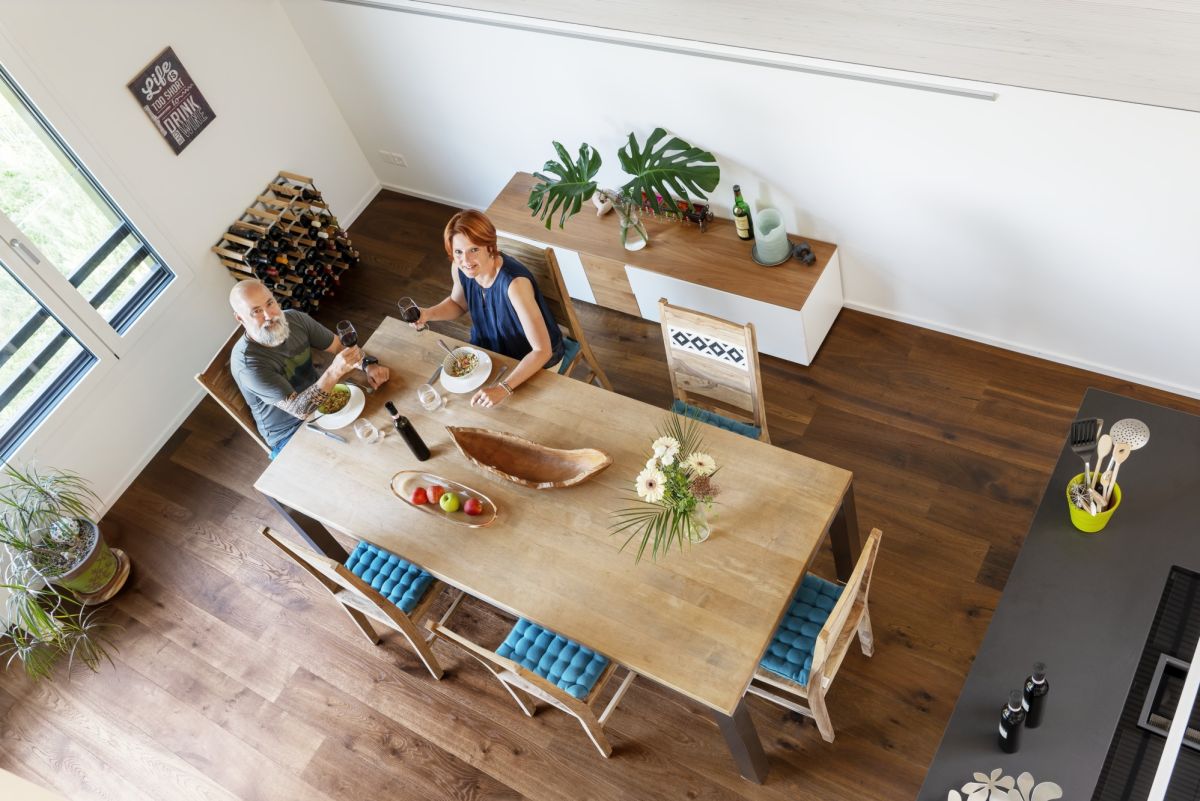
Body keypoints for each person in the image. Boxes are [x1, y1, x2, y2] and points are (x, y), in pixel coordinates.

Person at [413, 210, 564, 408]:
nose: (465, 261)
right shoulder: (460, 269)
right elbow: (458, 303)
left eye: (473, 249)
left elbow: (542, 351)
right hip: (489, 350)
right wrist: (427, 314)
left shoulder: (515, 285)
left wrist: (504, 388)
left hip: (530, 360)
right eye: (458, 252)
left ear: (490, 247)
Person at [229, 279, 390, 458]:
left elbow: (339, 347)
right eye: (257, 311)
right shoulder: (248, 365)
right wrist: (334, 371)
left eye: (270, 303)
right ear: (239, 318)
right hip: (289, 433)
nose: (269, 315)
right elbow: (300, 411)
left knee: (384, 428)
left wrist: (368, 365)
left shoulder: (294, 319)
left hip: (322, 403)